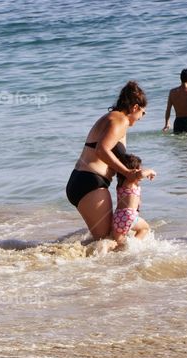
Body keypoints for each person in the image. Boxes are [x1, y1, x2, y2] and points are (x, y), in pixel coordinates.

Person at [65, 81, 155, 242]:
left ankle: (73, 261)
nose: (142, 117)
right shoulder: (120, 120)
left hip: (83, 181)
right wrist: (127, 173)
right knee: (107, 240)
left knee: (106, 239)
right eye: (143, 112)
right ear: (135, 107)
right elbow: (102, 150)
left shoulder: (110, 118)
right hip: (90, 183)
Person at [112, 153, 154, 245]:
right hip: (129, 215)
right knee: (145, 228)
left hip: (117, 217)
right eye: (139, 169)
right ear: (134, 171)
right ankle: (134, 245)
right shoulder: (130, 181)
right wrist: (151, 171)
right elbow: (141, 174)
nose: (141, 171)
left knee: (119, 244)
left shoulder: (121, 184)